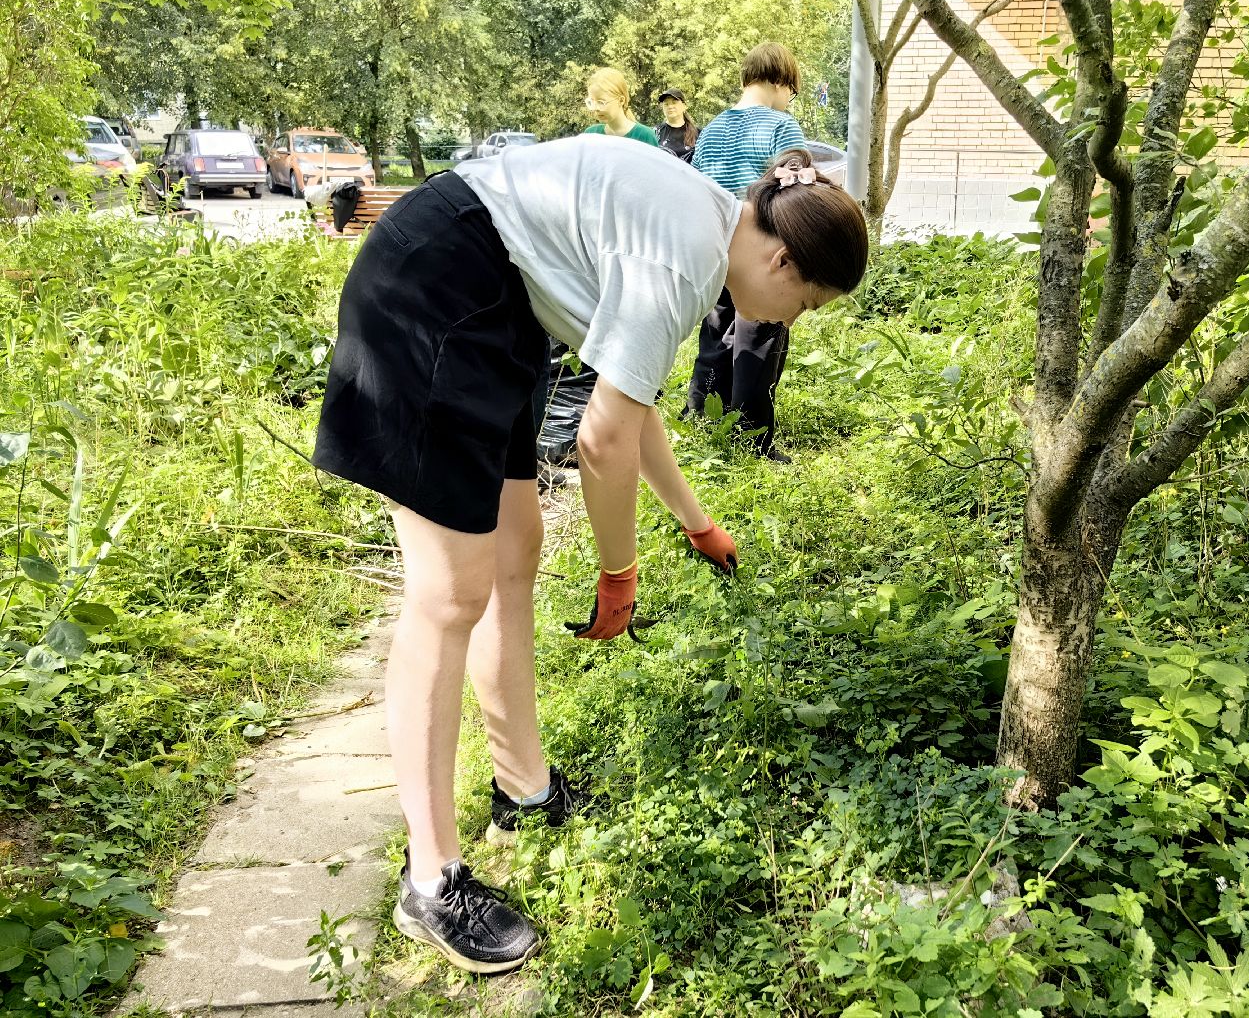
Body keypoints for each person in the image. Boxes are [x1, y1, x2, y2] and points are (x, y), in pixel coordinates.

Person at [311, 137, 867, 975]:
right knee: (450, 592)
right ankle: (431, 879)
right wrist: (619, 573)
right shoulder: (684, 260)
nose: (787, 322)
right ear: (783, 260)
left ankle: (524, 789)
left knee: (515, 546)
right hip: (437, 289)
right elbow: (602, 442)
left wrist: (694, 520)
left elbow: (630, 409)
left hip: (495, 302)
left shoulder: (708, 227)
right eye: (806, 304)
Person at [685, 43, 807, 461]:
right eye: (792, 89)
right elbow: (795, 196)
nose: (790, 99)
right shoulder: (781, 127)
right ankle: (751, 438)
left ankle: (704, 417)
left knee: (715, 332)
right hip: (761, 250)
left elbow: (697, 187)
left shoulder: (714, 127)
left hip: (715, 246)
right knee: (760, 334)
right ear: (779, 81)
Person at [582, 67, 660, 146]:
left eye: (601, 102)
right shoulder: (591, 134)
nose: (596, 108)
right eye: (592, 102)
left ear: (621, 100)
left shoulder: (645, 136)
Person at [654, 87, 700, 163]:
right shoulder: (655, 133)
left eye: (674, 102)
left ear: (684, 106)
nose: (670, 107)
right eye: (666, 104)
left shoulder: (698, 133)